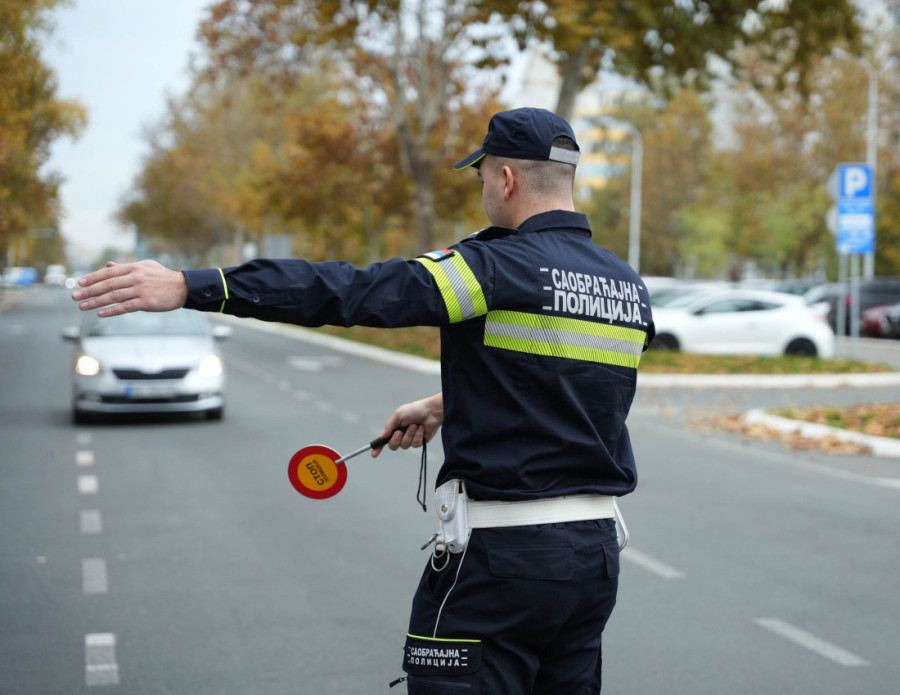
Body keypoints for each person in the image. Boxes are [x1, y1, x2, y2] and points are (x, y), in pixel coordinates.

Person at [72, 107, 654, 693]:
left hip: (504, 560)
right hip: (593, 559)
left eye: (480, 178)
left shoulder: (492, 266)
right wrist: (449, 401)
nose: (482, 191)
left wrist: (193, 286)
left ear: (505, 179)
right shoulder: (626, 286)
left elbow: (352, 292)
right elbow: (572, 378)